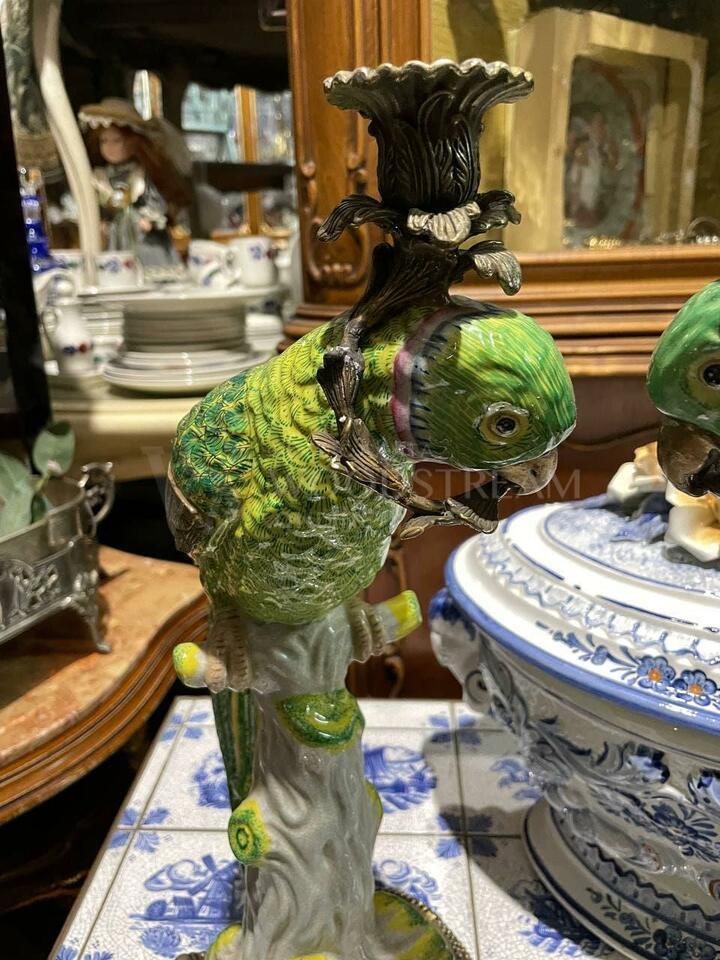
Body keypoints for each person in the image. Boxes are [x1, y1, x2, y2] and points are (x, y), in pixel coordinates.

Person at [79, 98, 192, 268]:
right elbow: (96, 205)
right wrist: (100, 220)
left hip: (143, 236)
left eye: (116, 140)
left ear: (132, 142)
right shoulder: (100, 177)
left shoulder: (140, 174)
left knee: (148, 262)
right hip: (114, 235)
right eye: (104, 141)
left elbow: (156, 201)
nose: (109, 147)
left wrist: (150, 218)